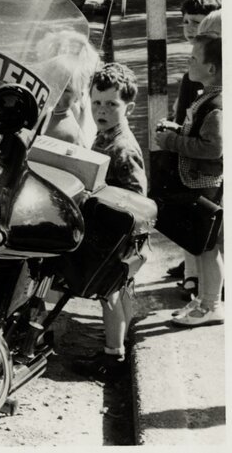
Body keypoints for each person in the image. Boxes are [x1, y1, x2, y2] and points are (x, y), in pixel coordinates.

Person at [72, 63, 147, 379]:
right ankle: (121, 344)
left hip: (122, 235)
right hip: (116, 233)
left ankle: (113, 357)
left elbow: (136, 197)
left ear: (129, 107)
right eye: (97, 102)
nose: (101, 110)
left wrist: (98, 196)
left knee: (110, 294)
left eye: (111, 105)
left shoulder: (122, 146)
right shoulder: (104, 136)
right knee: (119, 291)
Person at [156, 34, 223, 327]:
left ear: (212, 68)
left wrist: (172, 141)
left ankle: (211, 305)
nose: (188, 62)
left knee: (208, 246)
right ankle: (203, 301)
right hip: (201, 181)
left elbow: (214, 148)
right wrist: (179, 132)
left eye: (194, 58)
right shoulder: (207, 96)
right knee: (202, 245)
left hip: (206, 184)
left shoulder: (216, 105)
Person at [165, 0, 222, 294]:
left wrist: (175, 139)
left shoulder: (214, 92)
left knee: (204, 229)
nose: (191, 31)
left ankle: (204, 288)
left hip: (204, 170)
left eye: (199, 25)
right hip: (198, 157)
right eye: (187, 23)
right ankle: (194, 273)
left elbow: (211, 141)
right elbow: (185, 108)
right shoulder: (198, 71)